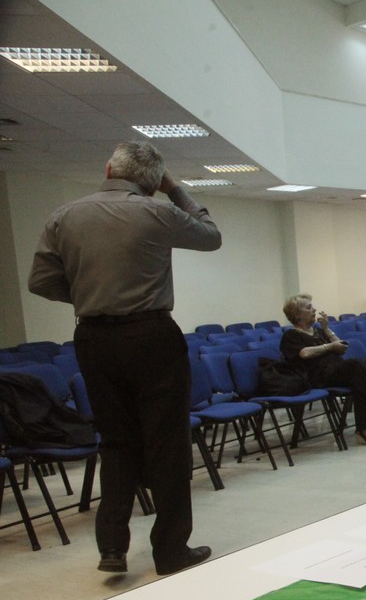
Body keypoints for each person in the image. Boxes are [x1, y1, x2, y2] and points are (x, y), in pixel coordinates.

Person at [27, 140, 221, 576]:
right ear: (153, 184)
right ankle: (170, 552)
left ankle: (112, 546)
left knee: (116, 441)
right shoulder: (156, 210)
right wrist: (176, 190)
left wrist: (86, 294)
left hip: (93, 338)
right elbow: (211, 237)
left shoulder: (64, 215)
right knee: (166, 444)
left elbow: (40, 282)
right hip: (151, 335)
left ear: (108, 170)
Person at [280, 294, 366, 446]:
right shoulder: (291, 335)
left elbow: (342, 348)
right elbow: (304, 353)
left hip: (335, 370)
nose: (314, 310)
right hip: (317, 376)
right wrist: (329, 347)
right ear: (297, 314)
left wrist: (326, 329)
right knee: (355, 366)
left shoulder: (318, 332)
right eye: (309, 307)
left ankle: (363, 431)